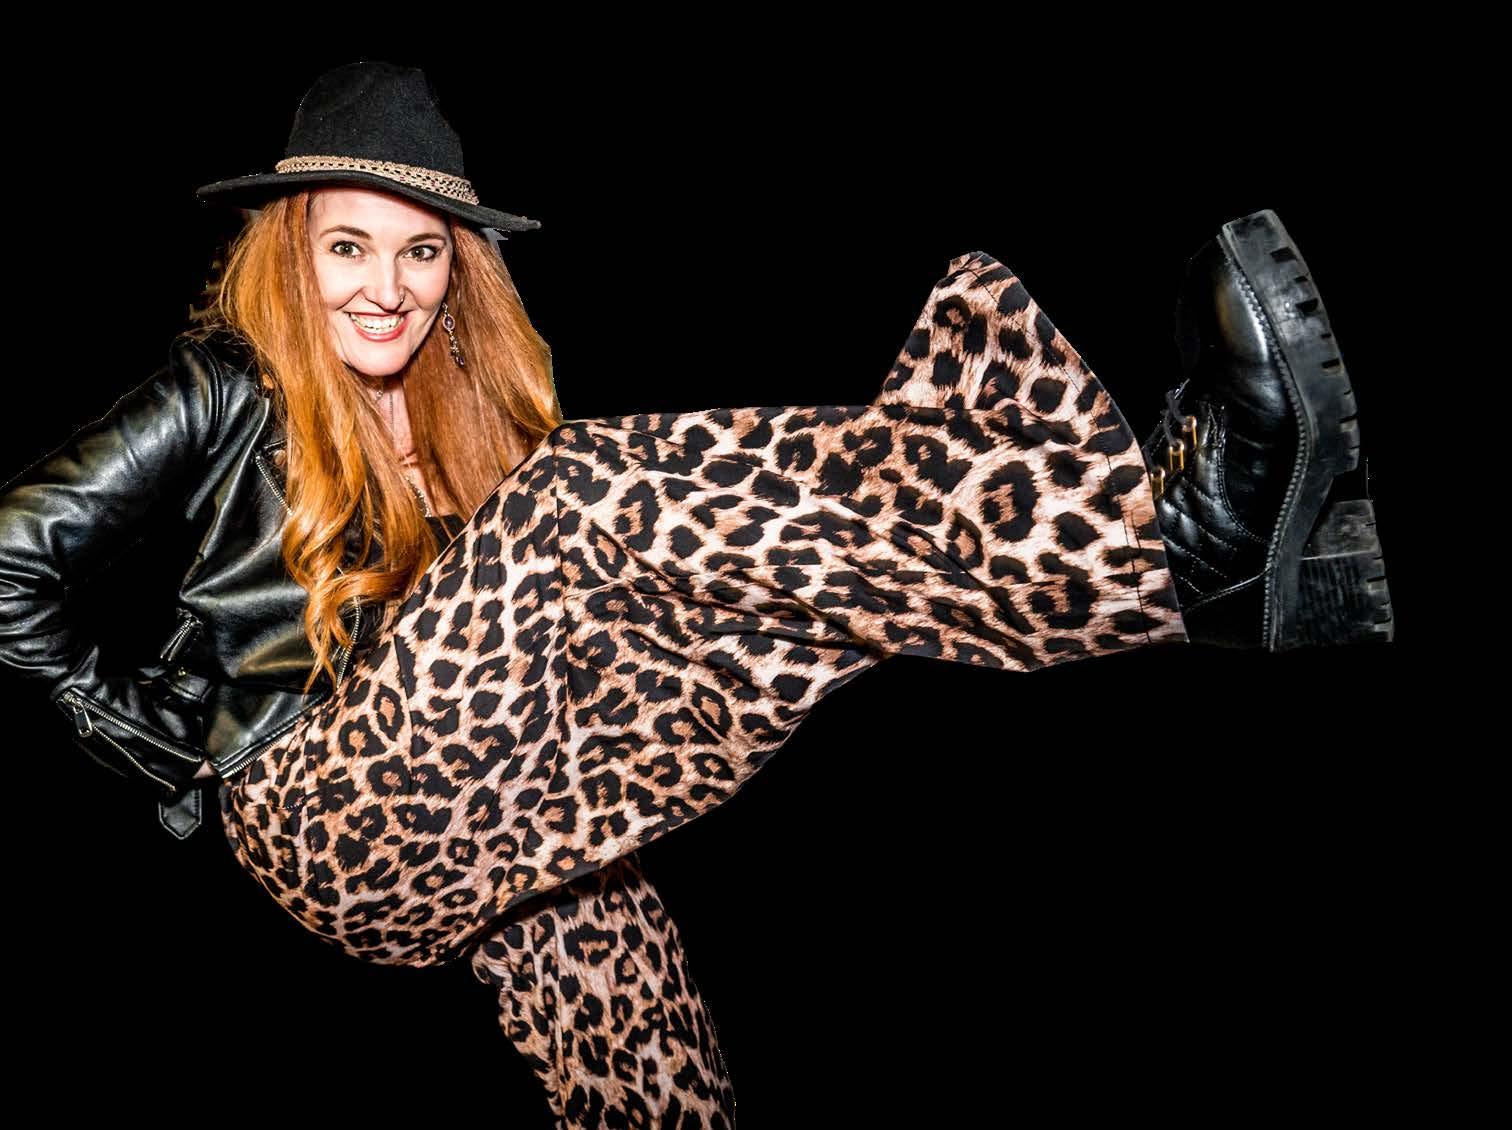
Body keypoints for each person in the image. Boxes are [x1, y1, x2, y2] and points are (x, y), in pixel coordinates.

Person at [0, 61, 1393, 1128]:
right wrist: (155, 735)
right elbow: (13, 555)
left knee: (643, 1020)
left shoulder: (469, 421)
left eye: (422, 250)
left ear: (457, 267)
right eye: (348, 245)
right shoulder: (228, 382)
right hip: (327, 808)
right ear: (291, 250)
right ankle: (1163, 543)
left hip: (468, 810)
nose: (387, 287)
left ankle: (1212, 560)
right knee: (577, 500)